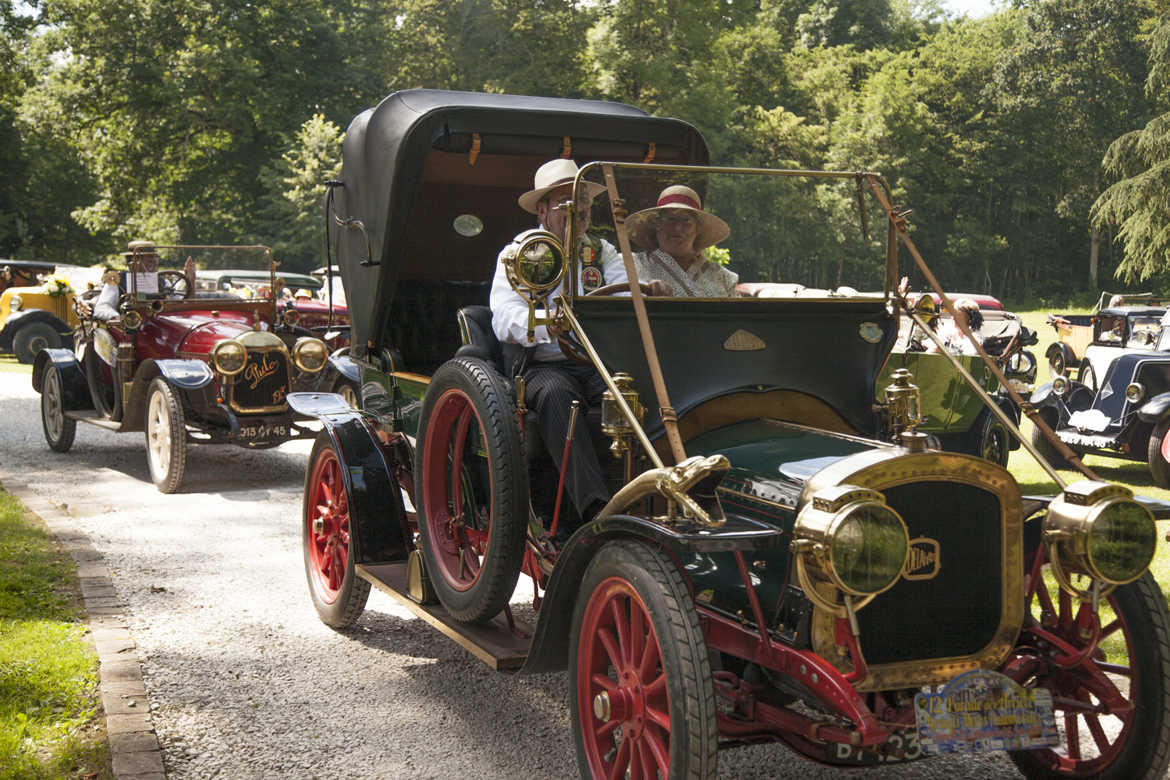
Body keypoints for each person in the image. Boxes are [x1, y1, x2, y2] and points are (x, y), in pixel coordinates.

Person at [489, 159, 628, 533]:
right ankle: (596, 511)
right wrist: (549, 326)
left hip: (597, 363)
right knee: (559, 397)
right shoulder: (519, 253)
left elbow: (624, 293)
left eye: (583, 204)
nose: (578, 213)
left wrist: (644, 293)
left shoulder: (602, 252)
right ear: (542, 210)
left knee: (631, 393)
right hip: (540, 367)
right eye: (567, 203)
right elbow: (504, 317)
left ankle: (644, 499)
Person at [626, 184, 737, 297]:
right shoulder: (632, 264)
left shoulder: (723, 277)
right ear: (657, 225)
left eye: (686, 220)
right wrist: (644, 287)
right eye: (670, 219)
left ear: (697, 228)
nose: (678, 228)